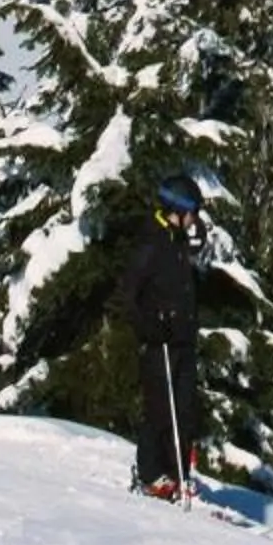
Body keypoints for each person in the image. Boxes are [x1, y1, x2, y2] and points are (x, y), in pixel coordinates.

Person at [120, 176, 207, 500]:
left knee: (184, 409)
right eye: (193, 212)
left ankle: (179, 473)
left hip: (182, 337)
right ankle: (150, 473)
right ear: (178, 210)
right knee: (160, 408)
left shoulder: (178, 240)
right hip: (159, 342)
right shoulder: (152, 242)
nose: (195, 219)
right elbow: (129, 293)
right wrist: (148, 328)